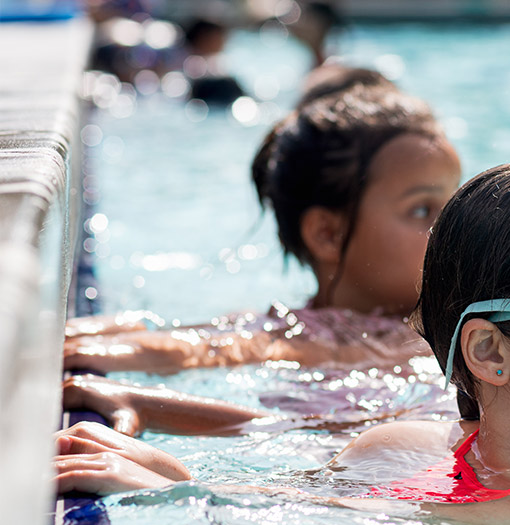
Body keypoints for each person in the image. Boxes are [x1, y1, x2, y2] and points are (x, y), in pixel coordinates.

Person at [55, 161, 510, 525]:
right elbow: (290, 507)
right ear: (490, 353)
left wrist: (188, 490)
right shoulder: (398, 450)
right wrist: (174, 469)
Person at [64, 66, 462, 375]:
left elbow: (229, 349)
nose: (451, 226)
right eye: (422, 210)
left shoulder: (440, 340)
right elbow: (215, 341)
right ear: (327, 234)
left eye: (453, 203)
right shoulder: (295, 328)